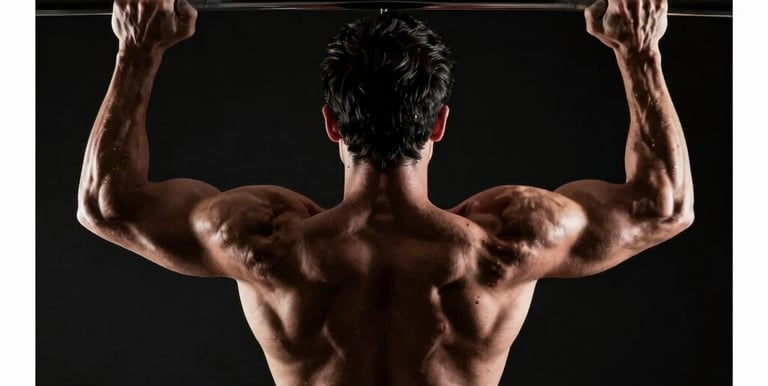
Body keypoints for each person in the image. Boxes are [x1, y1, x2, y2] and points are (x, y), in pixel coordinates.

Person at [76, 0, 694, 384]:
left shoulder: (268, 244)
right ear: (440, 123)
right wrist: (639, 51)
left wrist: (138, 49)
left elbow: (107, 202)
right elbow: (664, 205)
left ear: (331, 123)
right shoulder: (502, 247)